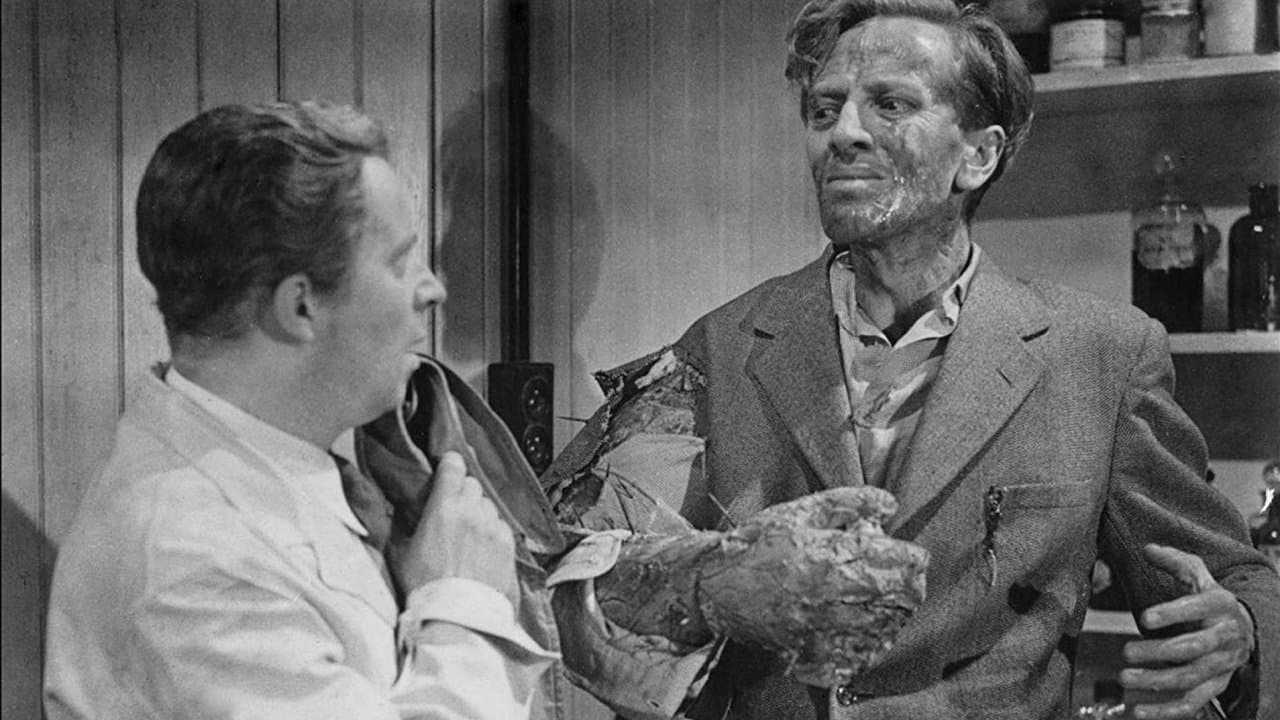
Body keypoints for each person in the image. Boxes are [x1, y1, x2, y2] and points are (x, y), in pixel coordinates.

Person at [546, 0, 1280, 718]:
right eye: (825, 110)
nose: (843, 133)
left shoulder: (1101, 358)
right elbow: (559, 565)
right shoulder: (717, 348)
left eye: (890, 105)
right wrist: (712, 584)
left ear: (978, 155)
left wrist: (1242, 631)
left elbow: (1235, 575)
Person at [43, 101, 567, 720]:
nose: (433, 288)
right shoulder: (197, 562)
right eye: (399, 262)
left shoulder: (280, 470)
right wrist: (464, 602)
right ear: (299, 307)